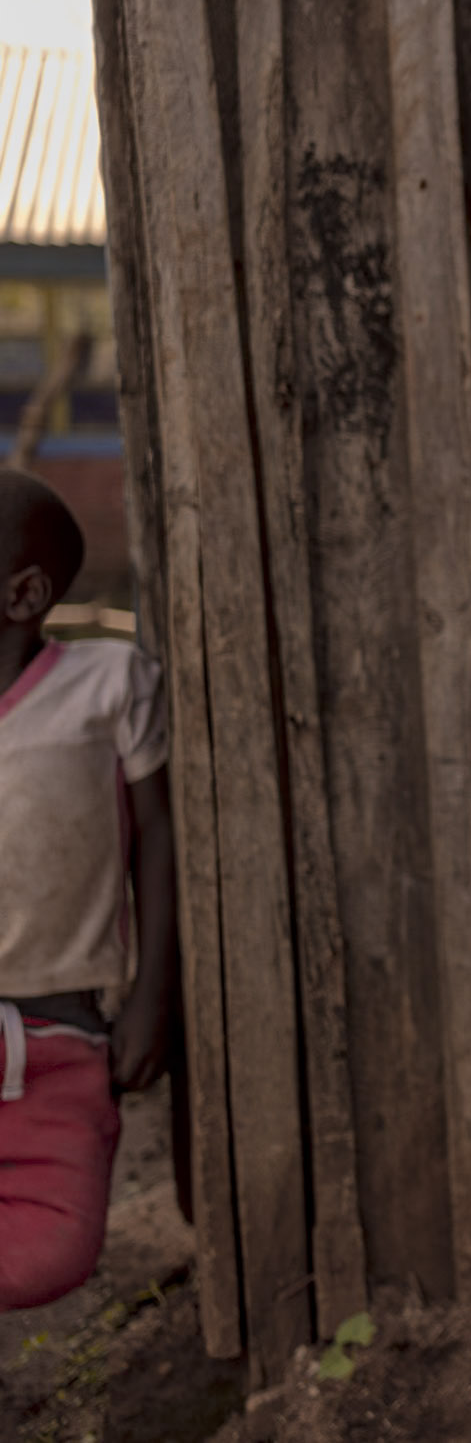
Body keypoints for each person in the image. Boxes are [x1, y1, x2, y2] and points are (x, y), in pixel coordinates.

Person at [0, 467, 177, 1310]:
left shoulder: (105, 687)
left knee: (57, 1250)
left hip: (63, 1035)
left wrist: (149, 997)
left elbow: (159, 839)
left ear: (23, 593)